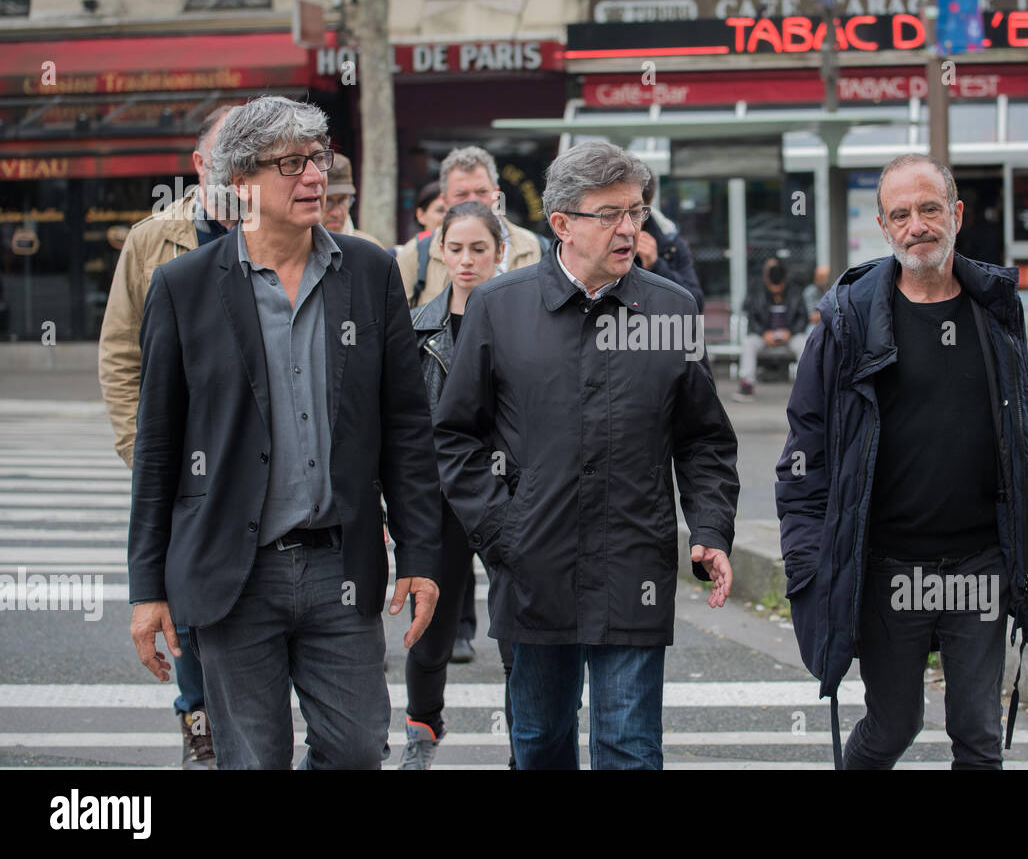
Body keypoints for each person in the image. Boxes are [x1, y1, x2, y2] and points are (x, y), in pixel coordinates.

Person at [127, 96, 442, 770]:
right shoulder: (182, 287)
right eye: (290, 164)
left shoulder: (368, 271)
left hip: (341, 565)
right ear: (240, 184)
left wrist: (420, 552)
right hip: (231, 572)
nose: (313, 178)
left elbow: (406, 427)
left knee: (357, 749)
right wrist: (146, 589)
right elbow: (158, 447)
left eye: (317, 160)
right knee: (253, 757)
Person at [434, 140, 740, 770]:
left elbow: (703, 437)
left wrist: (710, 530)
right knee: (541, 743)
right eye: (610, 214)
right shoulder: (499, 306)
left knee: (629, 746)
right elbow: (456, 436)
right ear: (563, 224)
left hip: (634, 561)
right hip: (533, 565)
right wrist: (503, 531)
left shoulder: (672, 309)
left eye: (637, 211)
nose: (630, 228)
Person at [776, 153, 1028, 770]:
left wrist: (1023, 561)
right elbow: (805, 450)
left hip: (980, 561)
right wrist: (806, 559)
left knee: (978, 738)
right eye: (900, 214)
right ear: (883, 227)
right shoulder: (848, 322)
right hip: (887, 564)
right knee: (893, 724)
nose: (916, 226)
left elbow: (1020, 445)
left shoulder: (995, 311)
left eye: (929, 209)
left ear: (954, 214)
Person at [99, 104, 234, 769]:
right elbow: (120, 352)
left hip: (263, 461)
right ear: (200, 164)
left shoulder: (292, 225)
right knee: (184, 603)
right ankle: (200, 729)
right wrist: (141, 451)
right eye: (227, 151)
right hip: (183, 463)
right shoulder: (154, 238)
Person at [403, 200, 522, 769]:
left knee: (524, 627)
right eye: (456, 249)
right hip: (437, 497)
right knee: (432, 625)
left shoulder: (525, 324)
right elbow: (399, 427)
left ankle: (531, 737)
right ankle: (422, 732)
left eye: (480, 249)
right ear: (439, 252)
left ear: (501, 253)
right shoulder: (417, 328)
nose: (467, 260)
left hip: (510, 495)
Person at [398, 146, 542, 307]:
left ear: (496, 195)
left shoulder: (536, 248)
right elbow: (400, 324)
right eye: (461, 194)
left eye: (481, 192)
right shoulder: (416, 253)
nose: (473, 200)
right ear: (444, 200)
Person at [734, 256, 809, 402]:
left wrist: (790, 332)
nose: (775, 291)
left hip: (789, 336)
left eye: (778, 288)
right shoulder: (758, 292)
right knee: (749, 343)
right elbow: (752, 318)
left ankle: (806, 387)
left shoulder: (795, 292)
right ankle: (747, 385)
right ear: (767, 281)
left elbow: (802, 318)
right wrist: (763, 333)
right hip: (765, 336)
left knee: (803, 343)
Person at [634, 172, 705, 312]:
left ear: (648, 206)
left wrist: (656, 266)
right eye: (612, 213)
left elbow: (695, 305)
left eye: (634, 212)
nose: (626, 227)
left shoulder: (671, 243)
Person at [321, 152, 385, 248]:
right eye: (328, 202)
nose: (336, 213)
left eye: (342, 201)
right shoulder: (299, 251)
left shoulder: (370, 248)